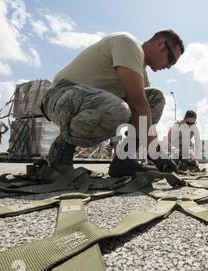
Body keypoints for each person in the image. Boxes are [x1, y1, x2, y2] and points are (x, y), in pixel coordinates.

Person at [41, 30, 184, 176]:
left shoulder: (142, 77)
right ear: (160, 44)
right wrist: (155, 151)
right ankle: (60, 153)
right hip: (60, 95)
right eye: (171, 59)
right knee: (121, 109)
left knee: (155, 98)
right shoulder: (128, 43)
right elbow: (137, 104)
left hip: (90, 102)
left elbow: (142, 113)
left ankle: (124, 160)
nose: (168, 67)